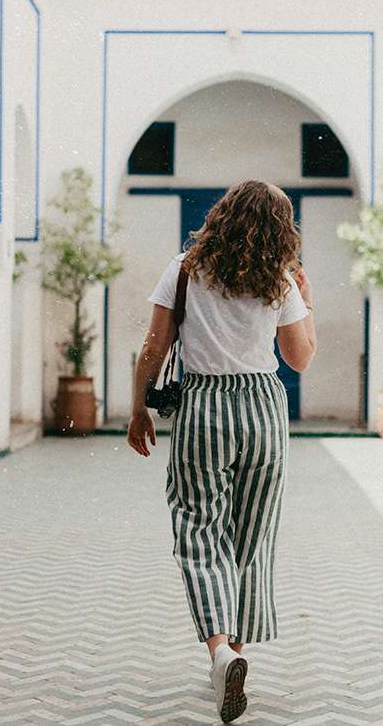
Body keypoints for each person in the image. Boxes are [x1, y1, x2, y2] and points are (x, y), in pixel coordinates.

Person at [127, 179, 317, 722]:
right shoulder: (281, 279)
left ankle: (221, 651)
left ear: (222, 214)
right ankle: (235, 653)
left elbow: (153, 347)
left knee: (198, 526)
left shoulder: (185, 268)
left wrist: (139, 409)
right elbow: (300, 358)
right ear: (281, 228)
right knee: (250, 535)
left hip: (203, 405)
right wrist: (309, 298)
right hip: (262, 407)